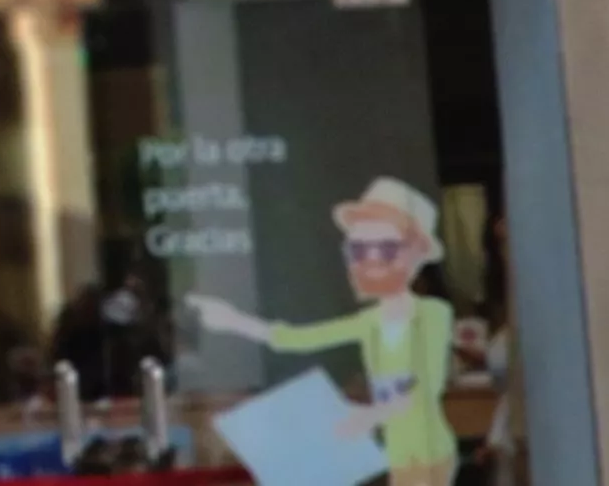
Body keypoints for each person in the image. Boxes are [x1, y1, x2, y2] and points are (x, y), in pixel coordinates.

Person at [193, 175, 461, 486]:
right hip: (397, 453)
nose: (371, 261)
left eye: (386, 249)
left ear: (415, 253)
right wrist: (233, 321)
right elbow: (297, 338)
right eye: (360, 250)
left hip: (428, 453)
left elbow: (426, 386)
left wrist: (371, 415)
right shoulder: (369, 322)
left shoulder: (433, 315)